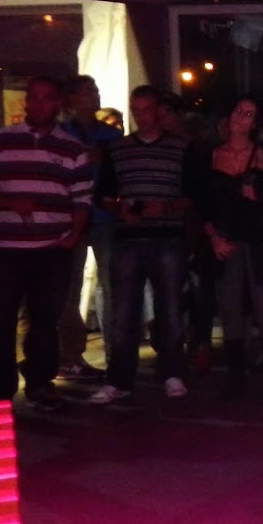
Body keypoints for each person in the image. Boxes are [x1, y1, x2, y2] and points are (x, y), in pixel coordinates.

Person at [0, 77, 93, 411]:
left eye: (46, 98)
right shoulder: (0, 140)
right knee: (0, 320)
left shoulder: (72, 148)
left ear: (58, 103)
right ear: (26, 101)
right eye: (34, 97)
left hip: (52, 250)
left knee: (45, 322)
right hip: (7, 249)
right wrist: (8, 202)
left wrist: (74, 234)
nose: (39, 104)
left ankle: (40, 383)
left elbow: (82, 198)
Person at [91, 86, 191, 407]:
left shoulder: (181, 148)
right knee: (123, 312)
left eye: (146, 109)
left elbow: (195, 195)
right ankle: (120, 379)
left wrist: (167, 207)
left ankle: (172, 372)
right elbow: (103, 194)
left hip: (167, 236)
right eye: (136, 110)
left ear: (158, 110)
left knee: (170, 308)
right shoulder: (118, 148)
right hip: (129, 237)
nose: (141, 116)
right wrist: (120, 208)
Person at [190, 96, 263, 403]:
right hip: (225, 238)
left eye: (248, 114)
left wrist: (257, 194)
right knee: (230, 307)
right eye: (238, 111)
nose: (240, 117)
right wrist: (213, 237)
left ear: (255, 123)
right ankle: (235, 378)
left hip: (259, 239)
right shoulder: (209, 155)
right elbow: (202, 204)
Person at [57, 74, 122, 384]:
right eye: (87, 91)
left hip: (105, 218)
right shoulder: (61, 133)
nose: (94, 95)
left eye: (95, 89)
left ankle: (116, 356)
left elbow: (121, 170)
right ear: (72, 98)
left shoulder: (110, 134)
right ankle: (71, 357)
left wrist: (105, 159)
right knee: (69, 291)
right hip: (72, 218)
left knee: (112, 289)